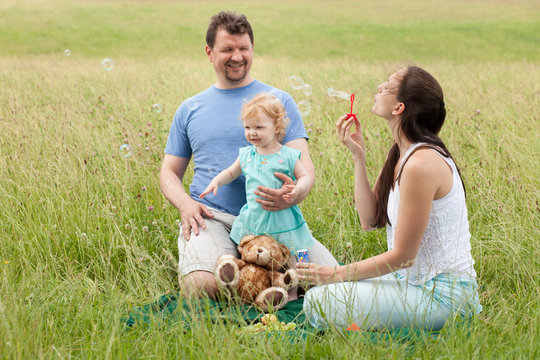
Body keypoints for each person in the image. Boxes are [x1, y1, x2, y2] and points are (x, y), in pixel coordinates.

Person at [160, 11, 337, 299]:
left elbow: (304, 168)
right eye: (227, 49)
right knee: (202, 287)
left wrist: (293, 194)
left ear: (252, 49)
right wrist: (185, 205)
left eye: (243, 48)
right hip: (212, 217)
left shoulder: (278, 102)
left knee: (333, 284)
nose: (237, 56)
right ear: (209, 52)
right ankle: (249, 278)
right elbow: (169, 172)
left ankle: (263, 284)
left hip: (276, 221)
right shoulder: (190, 108)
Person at [297, 66, 482, 331]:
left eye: (388, 85)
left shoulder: (421, 163)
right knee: (334, 286)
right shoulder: (400, 153)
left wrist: (334, 274)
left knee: (318, 300)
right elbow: (369, 220)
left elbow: (403, 257)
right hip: (411, 283)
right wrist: (358, 157)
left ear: (399, 108)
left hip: (443, 297)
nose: (379, 88)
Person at [200, 93, 317, 254]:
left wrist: (297, 189)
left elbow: (305, 176)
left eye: (259, 127)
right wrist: (216, 181)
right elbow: (230, 172)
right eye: (247, 127)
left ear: (276, 127)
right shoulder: (247, 155)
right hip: (256, 218)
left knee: (291, 252)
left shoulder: (288, 155)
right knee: (255, 253)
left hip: (282, 218)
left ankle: (299, 275)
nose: (252, 133)